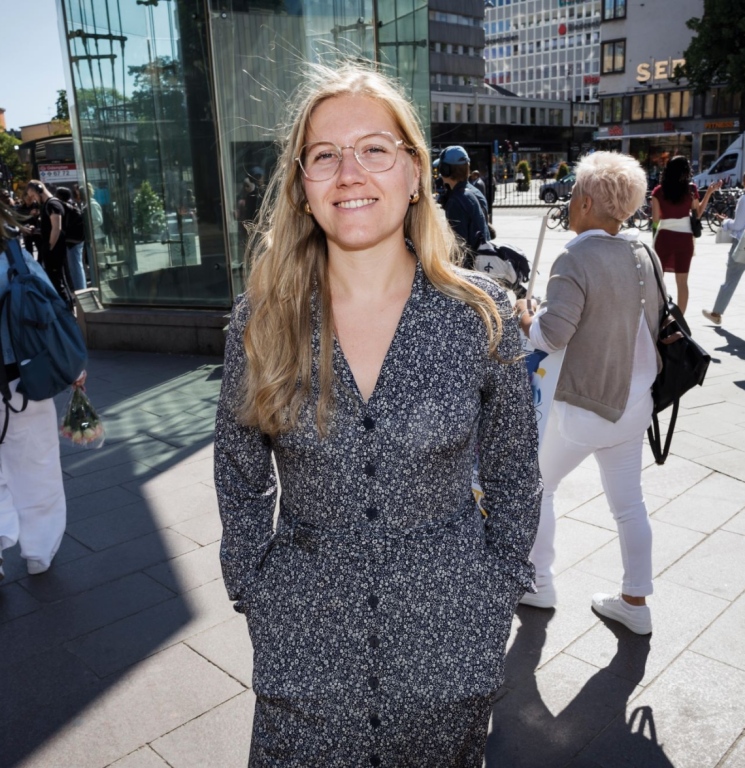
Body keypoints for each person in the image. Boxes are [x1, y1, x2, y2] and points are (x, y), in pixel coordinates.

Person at [214, 62, 541, 766]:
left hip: (448, 649)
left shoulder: (478, 318)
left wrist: (495, 591)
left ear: (416, 173)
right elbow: (238, 474)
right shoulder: (262, 322)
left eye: (375, 150)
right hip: (303, 655)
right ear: (303, 188)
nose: (349, 173)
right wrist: (256, 588)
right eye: (325, 156)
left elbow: (516, 473)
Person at [515, 151, 663, 635]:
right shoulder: (643, 251)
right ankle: (635, 602)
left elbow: (552, 335)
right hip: (634, 399)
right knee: (629, 504)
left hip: (584, 406)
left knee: (537, 485)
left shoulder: (576, 255)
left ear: (586, 201)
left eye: (576, 193)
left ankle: (539, 582)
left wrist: (526, 317)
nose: (572, 202)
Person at [0, 201, 84, 580]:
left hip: (17, 382)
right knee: (37, 466)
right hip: (23, 381)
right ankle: (39, 551)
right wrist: (71, 366)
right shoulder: (14, 255)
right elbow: (51, 314)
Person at [701, 167, 745, 336]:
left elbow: (738, 226)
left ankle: (717, 313)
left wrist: (725, 222)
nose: (743, 182)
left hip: (742, 244)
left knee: (730, 281)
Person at [651, 156, 719, 315]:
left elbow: (655, 220)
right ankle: (680, 321)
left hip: (664, 238)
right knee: (682, 282)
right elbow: (698, 214)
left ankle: (657, 315)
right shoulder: (691, 189)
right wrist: (708, 192)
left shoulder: (658, 191)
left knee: (657, 280)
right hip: (685, 239)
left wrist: (655, 236)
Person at [434, 145, 490, 267]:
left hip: (469, 271)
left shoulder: (457, 201)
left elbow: (459, 249)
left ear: (445, 170)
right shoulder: (473, 193)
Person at [24, 180, 73, 307]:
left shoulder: (53, 204)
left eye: (33, 195)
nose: (33, 199)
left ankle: (67, 309)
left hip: (55, 250)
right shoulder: (48, 204)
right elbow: (51, 228)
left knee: (59, 280)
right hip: (51, 248)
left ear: (39, 190)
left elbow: (57, 228)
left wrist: (50, 247)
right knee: (56, 279)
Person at [55, 186, 87, 292]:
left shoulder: (65, 206)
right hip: (77, 239)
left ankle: (81, 291)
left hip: (72, 240)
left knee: (75, 267)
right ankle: (81, 289)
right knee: (76, 265)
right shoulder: (72, 205)